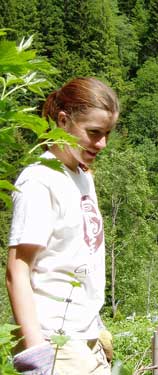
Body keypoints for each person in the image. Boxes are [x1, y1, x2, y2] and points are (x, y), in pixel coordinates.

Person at [6, 77, 119, 375]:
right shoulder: (39, 181)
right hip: (52, 337)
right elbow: (17, 270)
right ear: (63, 120)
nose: (102, 143)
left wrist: (96, 325)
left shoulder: (82, 176)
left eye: (107, 133)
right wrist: (35, 354)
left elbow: (76, 258)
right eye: (94, 133)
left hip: (84, 335)